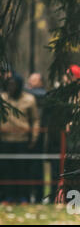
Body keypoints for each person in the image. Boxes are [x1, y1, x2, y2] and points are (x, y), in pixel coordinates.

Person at [0, 74, 40, 204]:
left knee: (22, 170)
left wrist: (34, 138)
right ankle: (7, 196)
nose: (11, 87)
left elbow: (35, 120)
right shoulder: (2, 98)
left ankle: (24, 197)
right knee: (6, 170)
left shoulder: (29, 99)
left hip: (22, 140)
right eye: (9, 84)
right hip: (5, 139)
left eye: (14, 84)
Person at [25, 73, 48, 203]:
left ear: (40, 82)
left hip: (39, 135)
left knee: (37, 166)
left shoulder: (41, 95)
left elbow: (40, 94)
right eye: (30, 80)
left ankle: (39, 195)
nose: (31, 83)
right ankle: (28, 195)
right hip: (25, 134)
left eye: (34, 81)